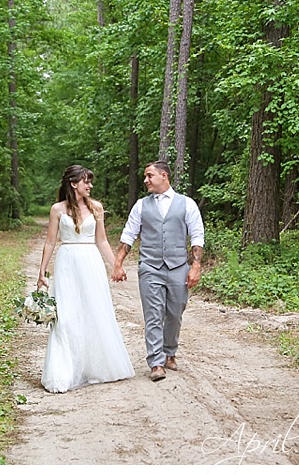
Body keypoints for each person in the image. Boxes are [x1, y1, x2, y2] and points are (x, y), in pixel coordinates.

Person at [37, 165, 135, 393]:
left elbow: (101, 241)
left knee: (95, 311)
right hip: (67, 262)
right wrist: (42, 271)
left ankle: (97, 366)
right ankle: (64, 370)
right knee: (67, 315)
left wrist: (116, 266)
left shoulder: (96, 207)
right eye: (85, 181)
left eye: (90, 181)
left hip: (90, 261)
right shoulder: (57, 210)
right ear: (73, 184)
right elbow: (51, 242)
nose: (90, 185)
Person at [111, 161, 204, 382]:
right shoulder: (141, 206)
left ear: (164, 176)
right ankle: (156, 361)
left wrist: (195, 266)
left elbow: (197, 235)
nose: (145, 180)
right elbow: (129, 235)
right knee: (153, 314)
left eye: (149, 176)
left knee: (174, 313)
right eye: (145, 176)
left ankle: (170, 351)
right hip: (150, 267)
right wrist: (118, 263)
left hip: (178, 267)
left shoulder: (187, 204)